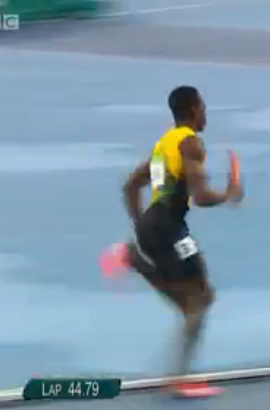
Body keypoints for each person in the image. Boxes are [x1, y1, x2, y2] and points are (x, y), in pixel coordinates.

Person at [99, 85, 243, 397]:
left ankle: (133, 256)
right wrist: (228, 194)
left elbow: (130, 187)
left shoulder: (164, 144)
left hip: (156, 226)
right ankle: (178, 380)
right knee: (200, 299)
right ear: (193, 109)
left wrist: (141, 227)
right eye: (203, 107)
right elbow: (201, 196)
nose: (205, 113)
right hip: (169, 229)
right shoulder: (191, 144)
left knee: (198, 299)